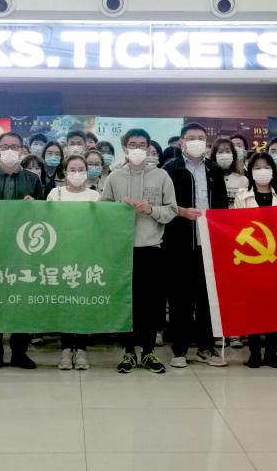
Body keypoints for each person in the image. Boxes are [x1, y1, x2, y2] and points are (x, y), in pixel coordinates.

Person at [102, 128, 176, 374]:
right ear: (124, 147)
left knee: (151, 305)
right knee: (127, 304)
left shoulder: (161, 176)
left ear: (148, 147)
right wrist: (118, 207)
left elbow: (172, 210)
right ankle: (128, 352)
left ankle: (148, 352)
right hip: (122, 251)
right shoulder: (114, 177)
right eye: (132, 144)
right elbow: (103, 211)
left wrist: (151, 209)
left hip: (151, 249)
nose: (137, 149)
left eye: (142, 145)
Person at [0, 132, 45, 371]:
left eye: (14, 146)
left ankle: (19, 352)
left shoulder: (33, 180)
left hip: (24, 248)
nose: (9, 150)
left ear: (22, 151)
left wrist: (35, 206)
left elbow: (46, 214)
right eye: (5, 146)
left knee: (22, 299)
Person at [163, 123, 229, 368]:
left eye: (201, 138)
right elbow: (163, 204)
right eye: (191, 138)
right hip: (179, 242)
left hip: (209, 243)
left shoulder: (214, 169)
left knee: (206, 298)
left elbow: (222, 205)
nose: (196, 142)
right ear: (182, 141)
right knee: (180, 298)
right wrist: (181, 212)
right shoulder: (170, 169)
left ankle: (206, 347)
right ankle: (179, 350)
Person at [233, 152, 277, 368]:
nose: (262, 171)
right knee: (254, 306)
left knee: (274, 306)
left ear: (273, 170)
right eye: (257, 167)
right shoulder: (242, 196)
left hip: (276, 257)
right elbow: (237, 225)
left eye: (266, 167)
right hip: (252, 257)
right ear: (250, 171)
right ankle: (255, 352)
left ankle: (272, 352)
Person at [46, 155, 100, 370]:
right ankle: (66, 349)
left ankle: (83, 349)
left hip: (87, 255)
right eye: (72, 169)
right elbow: (48, 221)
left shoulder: (95, 195)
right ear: (65, 172)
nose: (77, 173)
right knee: (65, 304)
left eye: (81, 169)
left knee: (83, 303)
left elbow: (100, 224)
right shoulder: (55, 194)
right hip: (61, 255)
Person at [212, 137, 248, 208]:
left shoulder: (243, 180)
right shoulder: (208, 178)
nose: (224, 155)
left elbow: (245, 205)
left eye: (228, 151)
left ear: (233, 155)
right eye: (220, 152)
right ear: (214, 155)